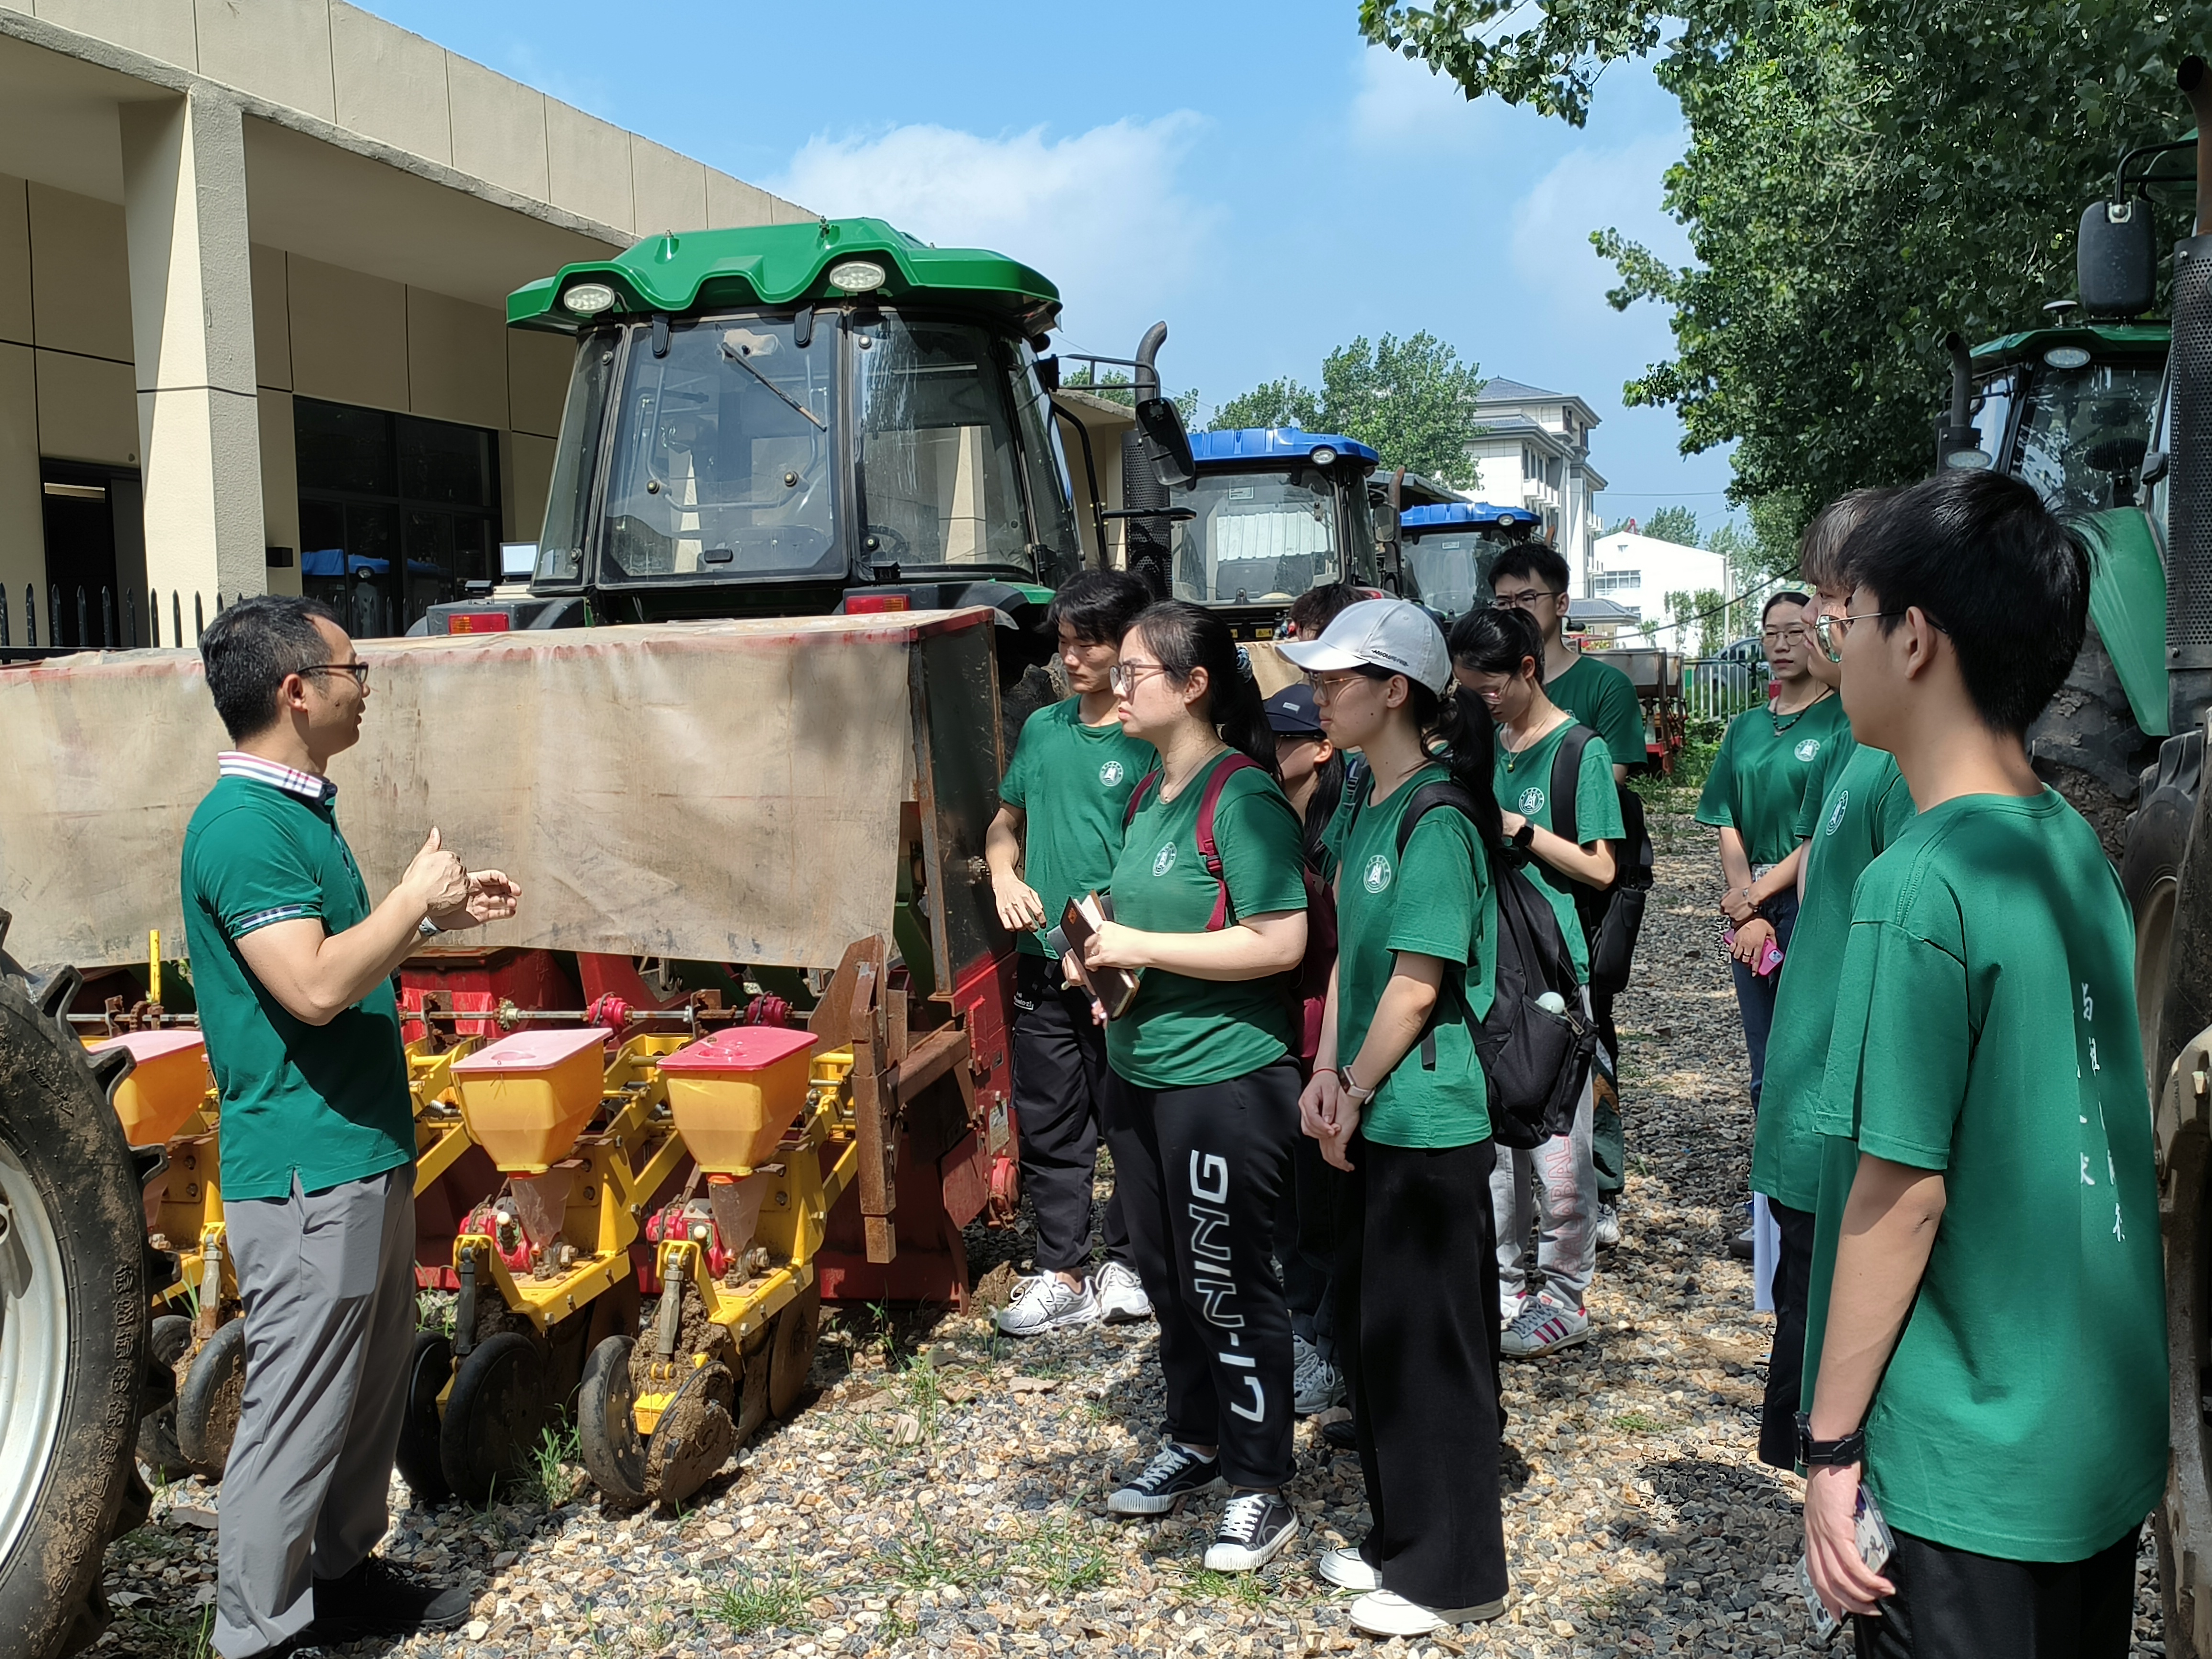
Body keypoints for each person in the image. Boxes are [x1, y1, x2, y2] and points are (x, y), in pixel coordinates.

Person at [1800, 471, 2166, 1658]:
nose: (1831, 639)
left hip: (1970, 1458)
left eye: (1844, 615)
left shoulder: (1918, 884)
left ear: (1912, 640)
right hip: (2088, 1428)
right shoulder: (2064, 843)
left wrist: (1828, 1447)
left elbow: (1898, 1194)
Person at [184, 596, 520, 1659]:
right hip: (302, 1166)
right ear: (296, 691)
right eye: (350, 668)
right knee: (293, 1412)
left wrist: (437, 917)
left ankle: (338, 1578)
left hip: (356, 1151)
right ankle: (258, 1633)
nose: (363, 683)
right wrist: (413, 904)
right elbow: (316, 986)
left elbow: (339, 955)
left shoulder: (298, 811)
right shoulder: (241, 827)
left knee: (362, 1392)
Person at [1281, 599, 1510, 1638]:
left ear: (1396, 692)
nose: (1317, 694)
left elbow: (1418, 984)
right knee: (1378, 1342)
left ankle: (1453, 1576)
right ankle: (1399, 1541)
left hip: (1426, 1123)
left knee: (1431, 1355)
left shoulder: (1438, 814)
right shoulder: (1367, 802)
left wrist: (1355, 1087)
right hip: (1373, 1110)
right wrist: (1328, 1075)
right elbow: (1347, 963)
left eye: (1336, 679)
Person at [1078, 600, 1310, 1574]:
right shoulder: (1146, 796)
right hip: (1140, 1071)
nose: (1113, 684)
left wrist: (1139, 943)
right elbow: (1156, 930)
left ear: (1194, 684)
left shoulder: (1240, 795)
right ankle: (1198, 1439)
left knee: (1228, 1281)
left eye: (1133, 671)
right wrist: (1101, 962)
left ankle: (1263, 1485)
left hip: (1224, 1081)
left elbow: (1279, 940)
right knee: (1172, 1279)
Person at [1742, 492, 1901, 1470]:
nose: (1819, 628)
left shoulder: (1896, 770)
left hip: (1848, 1149)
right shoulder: (1854, 749)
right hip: (1811, 1138)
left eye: (1835, 605)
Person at [985, 570, 1157, 1335]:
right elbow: (1004, 821)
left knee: (1130, 1114)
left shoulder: (1147, 735)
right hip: (1041, 963)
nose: (1073, 658)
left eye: (1089, 643)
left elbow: (1166, 852)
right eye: (1065, 642)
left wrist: (1101, 945)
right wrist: (1001, 875)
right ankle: (1064, 1270)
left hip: (1122, 961)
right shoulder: (1045, 730)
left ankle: (1128, 1260)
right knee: (1051, 1120)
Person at [1448, 606, 1619, 1358]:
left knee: (1557, 1142)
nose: (1477, 701)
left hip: (1552, 971)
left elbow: (1602, 867)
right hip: (1485, 966)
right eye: (1464, 689)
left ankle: (1565, 1294)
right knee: (1494, 1145)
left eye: (1487, 687)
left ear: (1527, 669)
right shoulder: (1476, 741)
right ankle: (1505, 1283)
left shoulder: (1578, 750)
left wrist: (1519, 828)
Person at [1490, 540, 1643, 1246]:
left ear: (1561, 605)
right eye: (1503, 601)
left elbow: (1601, 789)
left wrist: (1522, 825)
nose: (1515, 610)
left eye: (1527, 598)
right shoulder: (1486, 699)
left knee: (1587, 1043)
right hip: (1506, 918)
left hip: (1575, 907)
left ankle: (1598, 1184)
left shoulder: (1598, 694)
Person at [1696, 588, 1848, 1260]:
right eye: (1773, 634)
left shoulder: (1844, 720)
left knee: (1808, 1055)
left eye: (1798, 630)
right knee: (1764, 1066)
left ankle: (1816, 1205)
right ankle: (1768, 1220)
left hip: (1805, 893)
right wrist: (1743, 901)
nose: (1784, 644)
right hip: (1750, 900)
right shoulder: (1745, 728)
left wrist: (1759, 895)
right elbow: (1725, 814)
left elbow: (1820, 831)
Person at [1262, 682, 1348, 1416]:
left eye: (1280, 740)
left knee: (1322, 1209)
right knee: (1291, 1209)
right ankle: (1305, 1336)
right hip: (1280, 1039)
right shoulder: (1268, 826)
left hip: (1326, 1044)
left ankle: (1327, 1349)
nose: (1265, 753)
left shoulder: (1335, 834)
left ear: (1321, 750)